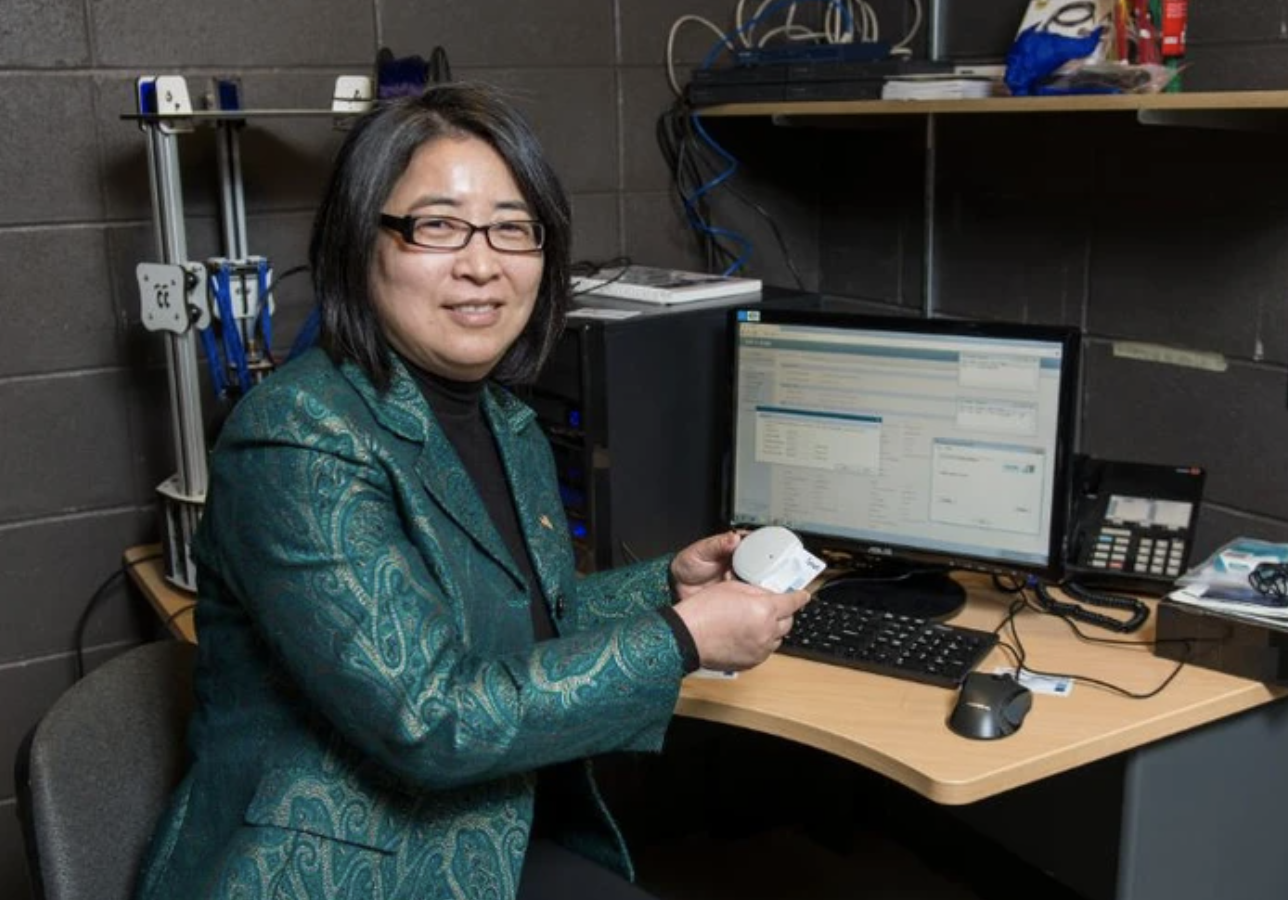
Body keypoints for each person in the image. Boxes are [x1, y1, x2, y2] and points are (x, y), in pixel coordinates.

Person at [134, 82, 810, 900]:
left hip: (487, 830)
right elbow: (431, 717)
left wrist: (663, 590)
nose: (483, 265)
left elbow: (499, 628)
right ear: (361, 242)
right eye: (438, 226)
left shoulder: (500, 419)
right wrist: (680, 639)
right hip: (341, 866)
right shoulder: (298, 438)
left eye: (513, 229)